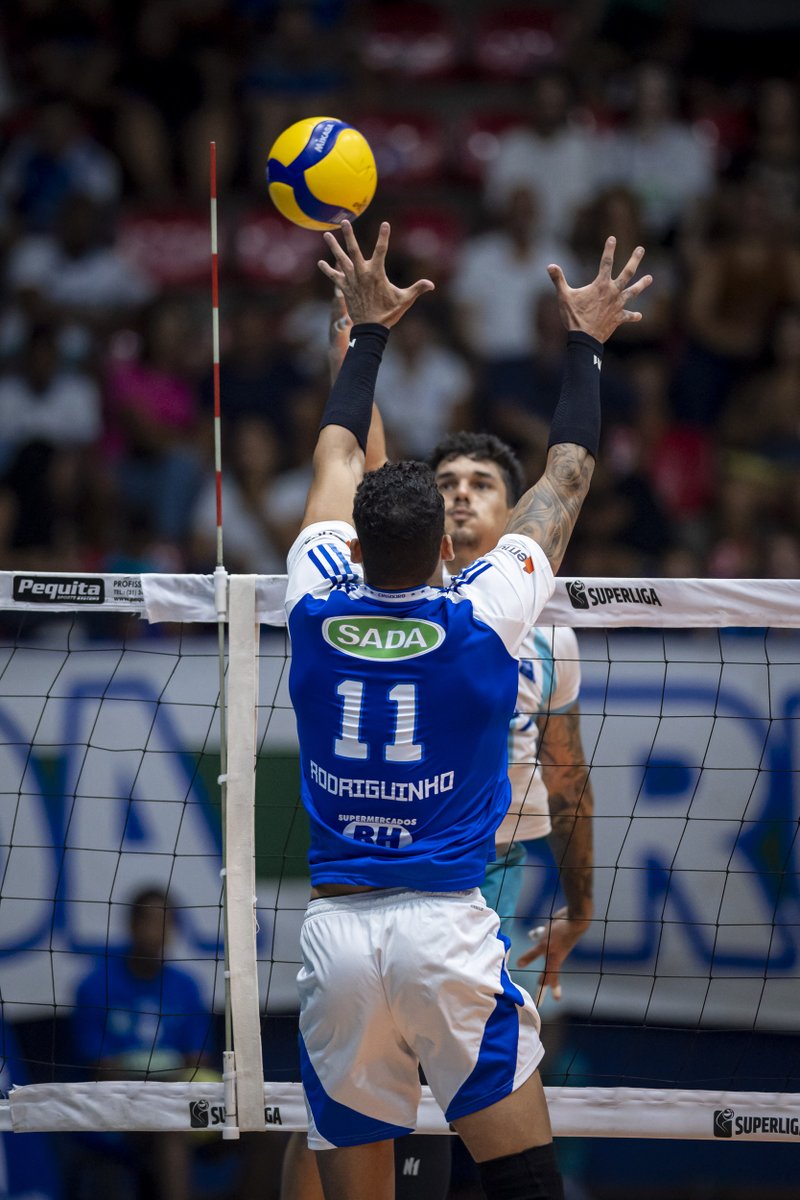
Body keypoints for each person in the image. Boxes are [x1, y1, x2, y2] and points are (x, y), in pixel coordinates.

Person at [284, 218, 650, 1200]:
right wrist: (585, 341)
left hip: (339, 933)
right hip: (445, 930)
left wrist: (364, 336)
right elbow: (566, 471)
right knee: (522, 1181)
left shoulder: (314, 600)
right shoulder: (488, 618)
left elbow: (332, 455)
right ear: (442, 552)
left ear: (351, 548)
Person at [70, 887, 215, 1200]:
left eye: (167, 922)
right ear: (132, 925)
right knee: (170, 1131)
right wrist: (162, 1087)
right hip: (119, 1107)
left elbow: (198, 1063)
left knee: (265, 1135)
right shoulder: (96, 986)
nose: (159, 931)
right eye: (151, 921)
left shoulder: (186, 986)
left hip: (179, 1101)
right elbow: (103, 1070)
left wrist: (169, 1086)